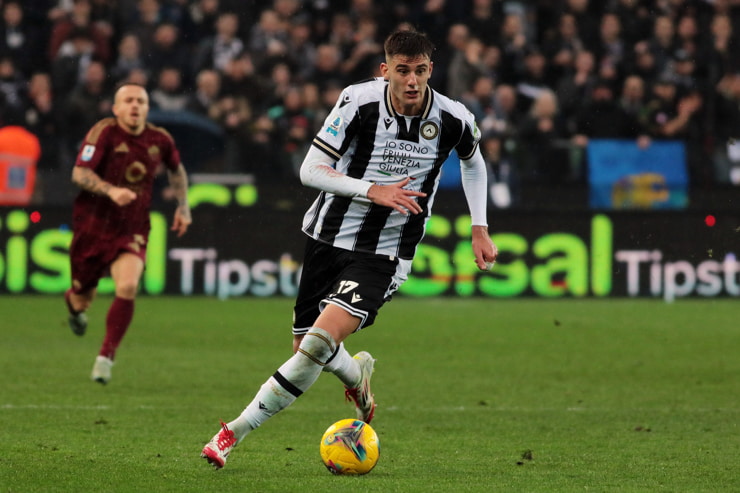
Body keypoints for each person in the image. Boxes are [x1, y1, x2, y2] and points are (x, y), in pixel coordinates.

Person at [200, 29, 498, 470]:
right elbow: (310, 170)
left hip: (385, 252)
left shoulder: (452, 117)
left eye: (420, 71)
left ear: (430, 70)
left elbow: (474, 162)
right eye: (402, 71)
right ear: (386, 71)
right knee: (307, 347)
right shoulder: (358, 103)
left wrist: (480, 227)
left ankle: (231, 433)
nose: (412, 81)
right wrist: (371, 190)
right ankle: (357, 376)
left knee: (318, 342)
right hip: (325, 237)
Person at [64, 83, 192, 384]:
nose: (135, 106)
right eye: (128, 100)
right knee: (82, 297)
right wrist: (110, 191)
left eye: (141, 101)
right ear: (116, 108)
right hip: (93, 226)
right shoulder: (104, 132)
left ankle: (106, 356)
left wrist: (183, 206)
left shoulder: (159, 139)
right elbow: (79, 173)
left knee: (129, 285)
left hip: (131, 227)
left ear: (147, 108)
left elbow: (177, 170)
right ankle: (75, 308)